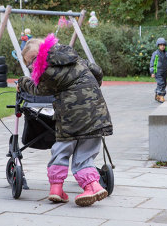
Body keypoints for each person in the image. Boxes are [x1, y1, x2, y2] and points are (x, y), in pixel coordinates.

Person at [17, 34, 113, 207]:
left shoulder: (48, 71)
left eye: (31, 61)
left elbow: (37, 90)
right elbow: (97, 70)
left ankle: (57, 188)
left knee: (62, 148)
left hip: (70, 118)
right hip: (97, 112)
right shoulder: (74, 57)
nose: (31, 66)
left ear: (41, 54)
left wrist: (22, 82)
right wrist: (91, 87)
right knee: (85, 154)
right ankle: (93, 185)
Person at [150, 38, 167, 103]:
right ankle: (161, 96)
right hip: (157, 71)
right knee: (161, 83)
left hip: (164, 71)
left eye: (163, 45)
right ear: (158, 46)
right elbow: (152, 63)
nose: (162, 46)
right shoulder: (155, 53)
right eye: (161, 45)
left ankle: (157, 94)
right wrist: (152, 72)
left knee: (164, 83)